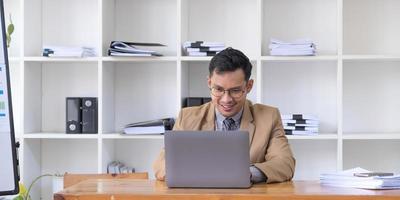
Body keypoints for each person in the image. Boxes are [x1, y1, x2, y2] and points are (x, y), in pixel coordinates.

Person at [153, 47, 295, 183]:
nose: (226, 99)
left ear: (249, 86)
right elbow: (161, 164)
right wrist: (212, 174)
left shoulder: (269, 117)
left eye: (235, 90)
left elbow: (285, 164)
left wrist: (247, 173)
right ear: (209, 83)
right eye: (219, 89)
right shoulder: (187, 117)